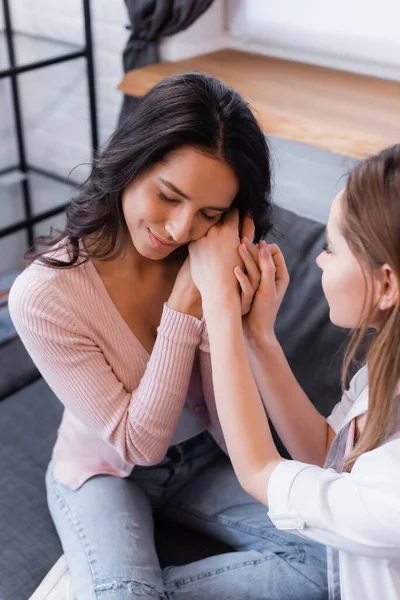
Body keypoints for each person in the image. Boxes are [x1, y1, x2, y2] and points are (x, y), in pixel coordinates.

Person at [9, 73, 328, 600]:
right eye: (168, 196)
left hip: (202, 458)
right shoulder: (44, 296)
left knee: (334, 559)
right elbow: (138, 443)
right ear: (131, 164)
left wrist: (234, 315)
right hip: (105, 472)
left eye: (208, 214)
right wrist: (185, 305)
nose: (180, 230)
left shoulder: (209, 261)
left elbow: (232, 428)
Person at [189, 144, 400, 600]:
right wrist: (259, 336)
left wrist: (219, 306)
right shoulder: (388, 367)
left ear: (386, 285)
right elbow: (329, 455)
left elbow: (260, 470)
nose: (319, 260)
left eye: (330, 248)